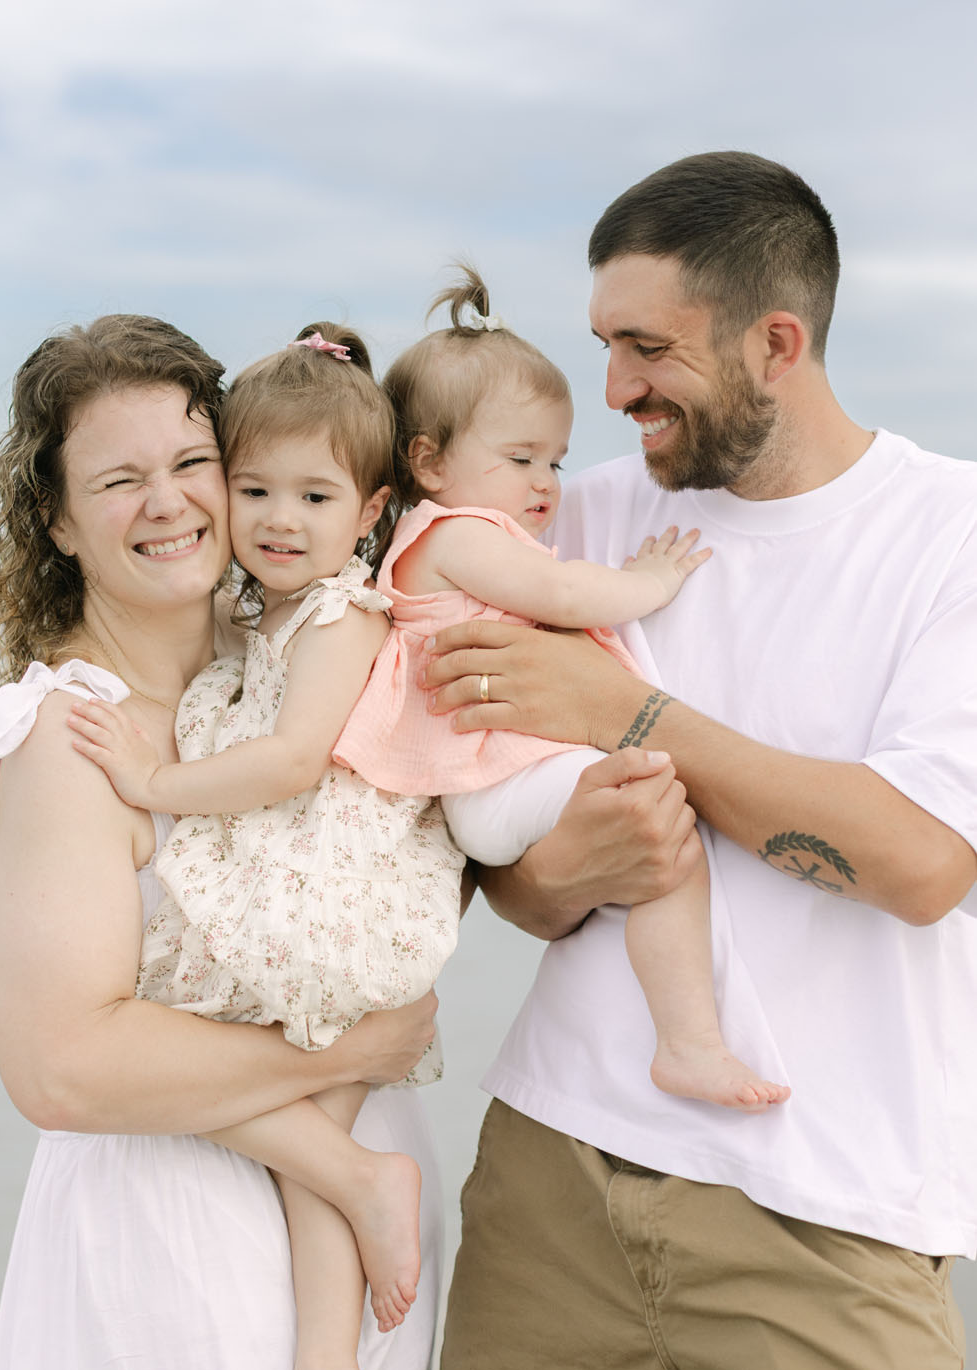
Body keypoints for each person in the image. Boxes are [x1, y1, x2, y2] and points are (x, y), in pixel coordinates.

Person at [421, 153, 977, 1370]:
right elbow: (515, 873)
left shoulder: (946, 539)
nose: (610, 391)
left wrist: (638, 715)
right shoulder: (585, 516)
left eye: (645, 349)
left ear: (773, 344)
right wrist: (565, 872)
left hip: (827, 1195)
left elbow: (919, 864)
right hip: (556, 1168)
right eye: (603, 343)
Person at [0, 314, 442, 1370]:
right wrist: (349, 1052)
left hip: (353, 1249)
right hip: (184, 1249)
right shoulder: (71, 735)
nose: (168, 504)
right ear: (59, 522)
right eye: (118, 479)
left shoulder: (288, 658)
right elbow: (62, 1064)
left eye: (189, 464)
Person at [335, 267, 787, 1112]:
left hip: (499, 782)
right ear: (428, 462)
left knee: (656, 832)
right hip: (497, 782)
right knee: (666, 833)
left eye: (555, 459)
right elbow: (570, 597)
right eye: (520, 458)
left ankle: (687, 1041)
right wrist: (650, 581)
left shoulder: (458, 529)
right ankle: (688, 1043)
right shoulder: (457, 533)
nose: (547, 483)